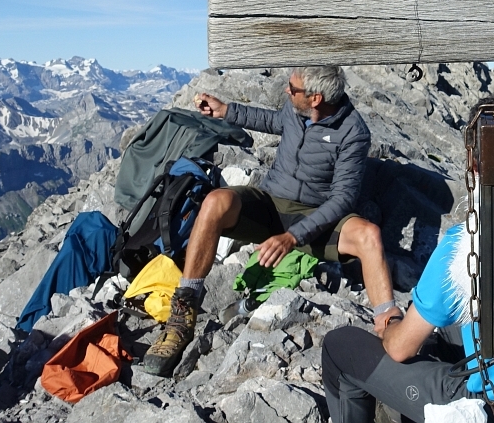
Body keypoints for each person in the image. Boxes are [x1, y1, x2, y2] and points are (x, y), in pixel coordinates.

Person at [141, 65, 398, 376]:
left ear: (315, 98)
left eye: (293, 88)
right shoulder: (294, 111)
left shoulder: (353, 132)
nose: (287, 91)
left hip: (316, 216)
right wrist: (226, 110)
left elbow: (343, 198)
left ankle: (390, 329)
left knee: (368, 234)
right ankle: (183, 313)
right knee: (215, 201)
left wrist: (293, 237)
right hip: (271, 204)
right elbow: (270, 121)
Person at [321, 223, 494, 423]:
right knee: (444, 328)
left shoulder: (469, 241)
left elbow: (399, 348)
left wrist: (391, 321)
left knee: (339, 347)